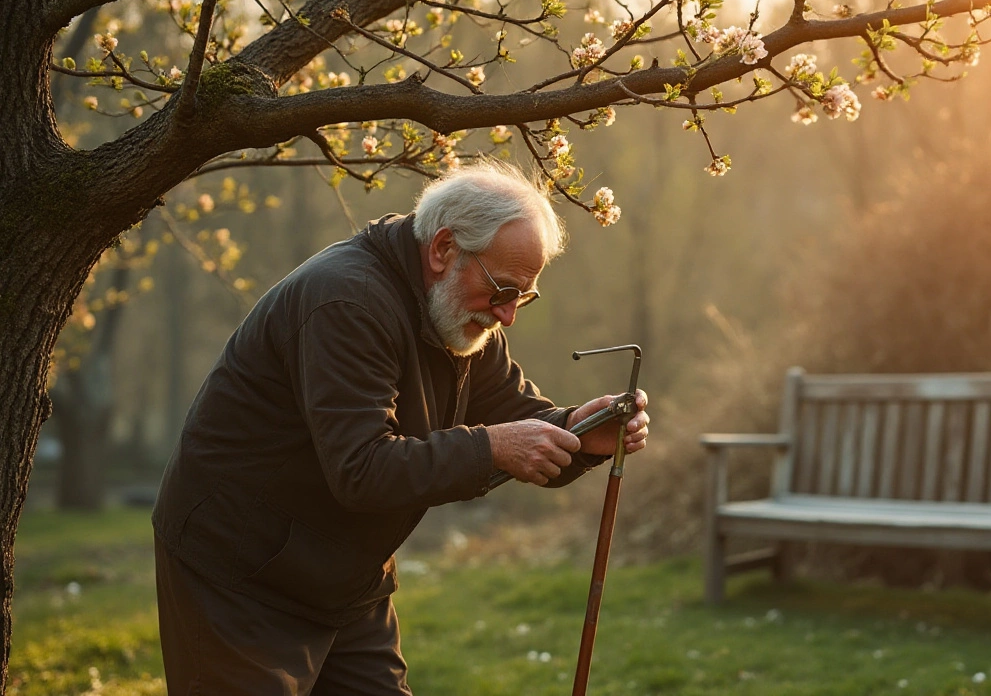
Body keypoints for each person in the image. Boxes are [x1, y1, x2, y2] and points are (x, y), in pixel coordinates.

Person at [151, 161, 650, 695]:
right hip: (240, 573)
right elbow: (362, 469)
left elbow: (515, 417)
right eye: (503, 290)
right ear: (442, 249)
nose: (508, 316)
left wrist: (581, 432)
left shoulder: (461, 317)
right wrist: (492, 449)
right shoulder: (346, 302)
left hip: (345, 579)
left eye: (521, 296)